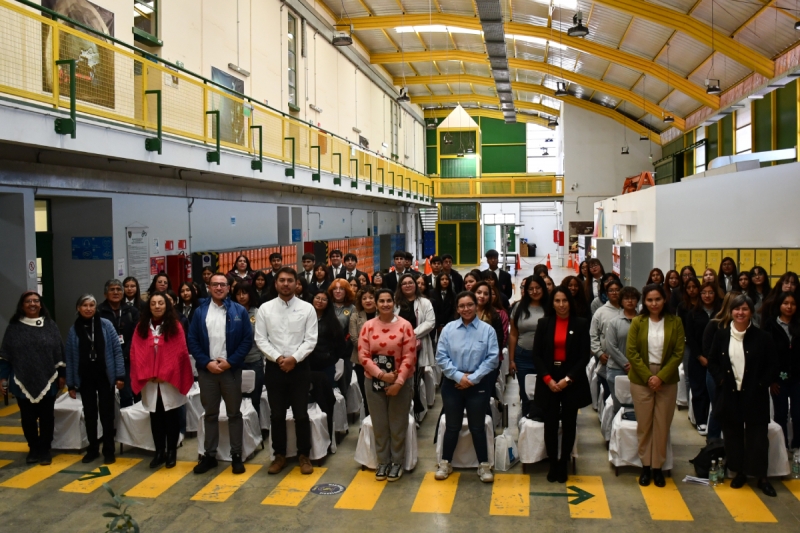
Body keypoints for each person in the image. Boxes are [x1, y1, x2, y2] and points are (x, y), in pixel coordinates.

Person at [707, 294, 779, 497]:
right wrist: (721, 380)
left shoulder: (763, 337)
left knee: (758, 438)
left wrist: (760, 384)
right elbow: (712, 361)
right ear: (730, 312)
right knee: (733, 436)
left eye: (745, 309)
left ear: (751, 312)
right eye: (737, 309)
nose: (740, 313)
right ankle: (739, 472)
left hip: (755, 395)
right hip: (730, 394)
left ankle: (761, 477)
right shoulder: (721, 335)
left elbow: (773, 366)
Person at [255, 267, 318, 476]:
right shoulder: (265, 309)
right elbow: (261, 339)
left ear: (296, 283)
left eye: (290, 280)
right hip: (274, 367)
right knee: (277, 415)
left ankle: (304, 455)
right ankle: (279, 455)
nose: (285, 284)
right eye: (281, 280)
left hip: (300, 367)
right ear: (276, 283)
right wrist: (279, 358)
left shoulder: (307, 308)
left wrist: (294, 359)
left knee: (301, 414)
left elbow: (311, 340)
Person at [188, 273, 253, 475]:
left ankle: (236, 455)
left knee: (234, 413)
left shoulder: (239, 311)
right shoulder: (199, 312)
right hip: (207, 371)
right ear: (209, 287)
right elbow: (192, 340)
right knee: (210, 414)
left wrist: (230, 362)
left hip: (230, 370)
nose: (218, 288)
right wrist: (206, 363)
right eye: (215, 285)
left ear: (228, 288)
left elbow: (246, 340)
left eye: (222, 285)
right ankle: (210, 455)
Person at [435, 291, 499, 483]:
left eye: (469, 305)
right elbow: (441, 357)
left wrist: (472, 378)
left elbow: (493, 358)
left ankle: (484, 465)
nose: (466, 309)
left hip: (478, 384)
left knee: (477, 426)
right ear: (457, 308)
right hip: (452, 383)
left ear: (476, 305)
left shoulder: (487, 330)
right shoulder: (448, 329)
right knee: (452, 425)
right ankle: (445, 463)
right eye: (462, 306)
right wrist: (458, 376)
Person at [625, 284, 684, 488]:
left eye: (657, 299)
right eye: (649, 300)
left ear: (664, 300)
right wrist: (649, 377)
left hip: (666, 377)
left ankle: (658, 467)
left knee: (662, 425)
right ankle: (646, 466)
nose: (654, 303)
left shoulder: (675, 322)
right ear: (645, 302)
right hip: (641, 377)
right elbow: (631, 352)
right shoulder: (638, 323)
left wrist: (660, 377)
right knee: (645, 425)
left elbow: (678, 353)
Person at [531, 287, 592, 483]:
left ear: (570, 302)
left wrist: (568, 379)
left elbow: (584, 356)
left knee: (568, 423)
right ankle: (553, 463)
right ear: (552, 303)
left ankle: (564, 461)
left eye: (564, 300)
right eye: (557, 301)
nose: (561, 305)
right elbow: (537, 355)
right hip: (548, 378)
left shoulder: (581, 324)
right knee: (549, 424)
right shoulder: (544, 323)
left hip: (570, 379)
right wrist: (548, 380)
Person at [358, 288, 416, 482]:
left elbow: (409, 356)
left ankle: (397, 462)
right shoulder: (367, 326)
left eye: (388, 301)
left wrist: (398, 382)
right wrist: (382, 375)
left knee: (397, 424)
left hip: (400, 383)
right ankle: (383, 461)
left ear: (394, 303)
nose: (385, 304)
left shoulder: (405, 326)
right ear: (375, 303)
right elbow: (363, 356)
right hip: (374, 382)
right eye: (381, 301)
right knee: (380, 424)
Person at [130, 292, 193, 469]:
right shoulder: (141, 327)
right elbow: (136, 353)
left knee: (171, 417)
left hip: (169, 381)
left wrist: (164, 373)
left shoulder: (175, 326)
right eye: (153, 304)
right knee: (155, 417)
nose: (157, 306)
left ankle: (172, 452)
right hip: (149, 381)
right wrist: (148, 372)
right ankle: (159, 452)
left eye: (160, 303)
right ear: (148, 307)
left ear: (167, 305)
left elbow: (179, 353)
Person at [0, 291, 65, 465]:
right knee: (28, 418)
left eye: (36, 301)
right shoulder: (14, 327)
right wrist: (3, 379)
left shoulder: (50, 325)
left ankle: (45, 450)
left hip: (48, 379)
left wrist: (62, 375)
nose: (32, 304)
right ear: (22, 305)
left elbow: (59, 353)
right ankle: (33, 449)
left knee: (47, 418)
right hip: (21, 381)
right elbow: (6, 356)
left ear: (41, 305)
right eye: (28, 301)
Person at [65, 294, 125, 464]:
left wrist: (120, 375)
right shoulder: (73, 330)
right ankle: (93, 449)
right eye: (85, 305)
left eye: (92, 305)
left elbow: (117, 352)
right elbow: (70, 358)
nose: (89, 308)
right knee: (90, 415)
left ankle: (109, 450)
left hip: (105, 376)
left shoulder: (106, 325)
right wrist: (70, 383)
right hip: (85, 378)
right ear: (78, 308)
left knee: (107, 414)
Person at [395, 273, 436, 422]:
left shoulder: (424, 303)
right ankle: (403, 413)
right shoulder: (395, 303)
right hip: (398, 347)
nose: (407, 285)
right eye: (404, 283)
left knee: (416, 382)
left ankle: (417, 415)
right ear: (400, 286)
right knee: (401, 379)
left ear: (416, 285)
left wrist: (411, 334)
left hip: (417, 347)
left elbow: (431, 322)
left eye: (410, 283)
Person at [684, 282, 722, 436]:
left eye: (711, 292)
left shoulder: (720, 313)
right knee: (698, 390)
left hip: (717, 358)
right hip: (697, 357)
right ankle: (700, 420)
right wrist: (699, 356)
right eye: (704, 292)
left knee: (713, 391)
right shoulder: (693, 313)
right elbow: (690, 338)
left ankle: (713, 421)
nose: (707, 296)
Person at [509, 276, 549, 419]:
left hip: (546, 357)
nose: (534, 291)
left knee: (544, 392)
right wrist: (511, 360)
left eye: (537, 288)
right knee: (525, 394)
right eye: (530, 289)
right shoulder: (518, 307)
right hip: (523, 356)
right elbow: (513, 334)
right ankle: (526, 423)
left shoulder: (550, 307)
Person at [309, 290, 346, 441]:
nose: (320, 301)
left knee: (325, 400)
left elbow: (340, 345)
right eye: (317, 298)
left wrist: (331, 357)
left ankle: (328, 436)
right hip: (308, 365)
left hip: (326, 365)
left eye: (324, 299)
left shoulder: (332, 321)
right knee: (309, 400)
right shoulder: (306, 318)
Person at [765, 292, 800, 451]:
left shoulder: (798, 323)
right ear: (779, 305)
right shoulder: (770, 325)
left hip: (797, 377)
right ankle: (782, 447)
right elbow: (767, 354)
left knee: (798, 414)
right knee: (781, 414)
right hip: (778, 379)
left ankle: (797, 445)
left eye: (792, 303)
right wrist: (771, 379)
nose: (789, 306)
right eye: (786, 303)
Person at [98, 279, 140, 408]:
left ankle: (128, 427)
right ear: (105, 294)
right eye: (112, 289)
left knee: (128, 394)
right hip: (106, 360)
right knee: (107, 396)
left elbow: (137, 336)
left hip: (128, 358)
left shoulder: (132, 312)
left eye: (118, 289)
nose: (116, 292)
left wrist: (124, 354)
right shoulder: (98, 312)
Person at [233, 282, 265, 420]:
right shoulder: (230, 312)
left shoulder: (258, 313)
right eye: (238, 293)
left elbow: (262, 338)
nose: (241, 296)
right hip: (235, 362)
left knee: (255, 399)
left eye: (244, 293)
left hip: (254, 360)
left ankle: (255, 429)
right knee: (236, 399)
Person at [606, 286, 640, 414]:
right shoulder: (614, 322)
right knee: (619, 406)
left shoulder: (643, 321)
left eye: (633, 298)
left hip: (639, 368)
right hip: (616, 369)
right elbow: (611, 346)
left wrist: (635, 364)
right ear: (621, 301)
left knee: (638, 404)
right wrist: (627, 363)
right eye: (626, 298)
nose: (630, 301)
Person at [590, 278, 624, 404]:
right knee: (610, 396)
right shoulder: (601, 312)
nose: (615, 293)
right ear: (606, 293)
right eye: (611, 290)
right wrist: (599, 353)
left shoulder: (629, 311)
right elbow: (593, 335)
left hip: (627, 359)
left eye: (617, 290)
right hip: (607, 359)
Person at [350, 286, 379, 416]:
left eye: (371, 298)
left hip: (380, 359)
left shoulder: (382, 314)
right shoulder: (355, 316)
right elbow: (355, 338)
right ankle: (368, 420)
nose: (368, 300)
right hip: (361, 360)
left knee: (379, 393)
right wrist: (368, 353)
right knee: (366, 392)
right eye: (364, 298)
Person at [329, 279, 356, 395]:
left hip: (345, 352)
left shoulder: (352, 308)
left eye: (341, 289)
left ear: (347, 291)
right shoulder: (327, 306)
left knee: (344, 385)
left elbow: (353, 331)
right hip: (327, 351)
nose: (338, 291)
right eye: (335, 289)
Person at [431, 273, 457, 337]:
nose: (445, 281)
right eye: (442, 279)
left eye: (446, 279)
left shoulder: (453, 294)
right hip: (435, 326)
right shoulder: (432, 293)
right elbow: (432, 311)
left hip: (449, 325)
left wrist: (447, 326)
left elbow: (454, 311)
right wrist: (437, 325)